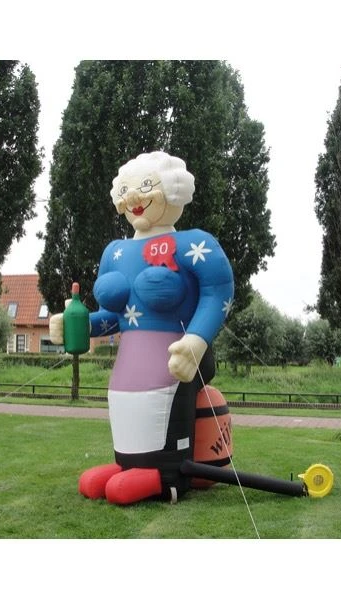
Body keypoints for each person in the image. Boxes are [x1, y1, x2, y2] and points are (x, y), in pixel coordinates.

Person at [50, 151, 234, 504]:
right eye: (126, 189)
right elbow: (112, 316)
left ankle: (168, 478)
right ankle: (126, 464)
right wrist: (79, 325)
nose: (134, 197)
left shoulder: (193, 244)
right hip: (126, 370)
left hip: (173, 362)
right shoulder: (115, 252)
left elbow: (218, 292)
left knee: (163, 415)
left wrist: (196, 341)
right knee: (127, 415)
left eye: (146, 186)